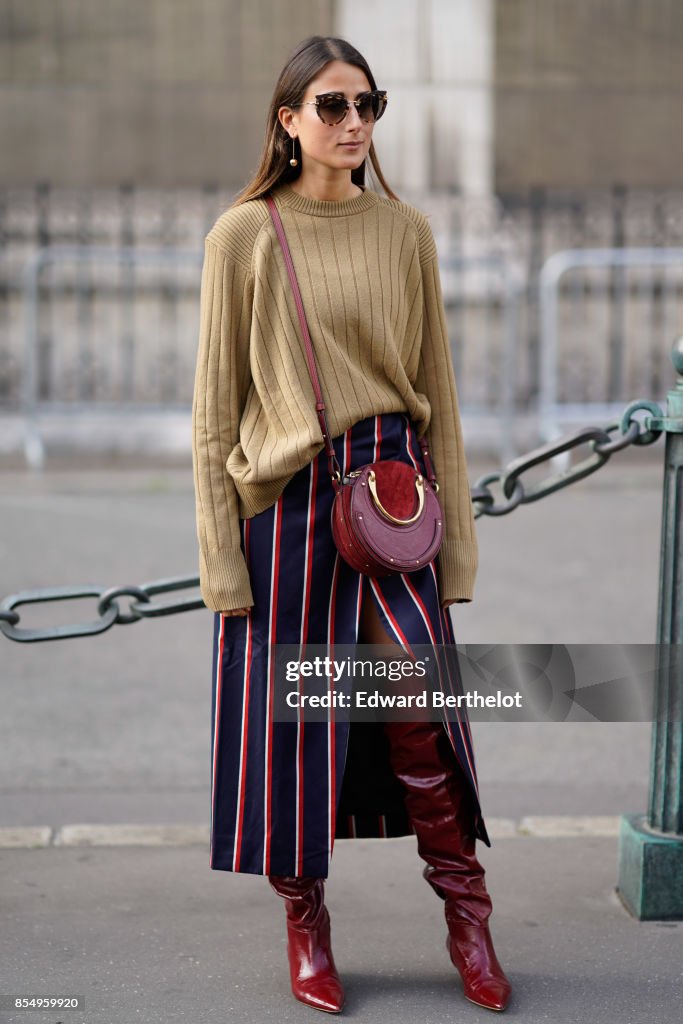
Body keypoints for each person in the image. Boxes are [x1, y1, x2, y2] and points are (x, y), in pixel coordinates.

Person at [191, 34, 511, 1015]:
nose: (350, 124)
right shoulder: (243, 235)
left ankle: (467, 917)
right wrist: (221, 564)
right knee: (299, 729)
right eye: (329, 106)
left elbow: (439, 400)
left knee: (422, 720)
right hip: (285, 511)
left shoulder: (403, 231)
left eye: (365, 105)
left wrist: (455, 546)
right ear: (286, 121)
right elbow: (214, 413)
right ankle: (305, 922)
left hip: (391, 494)